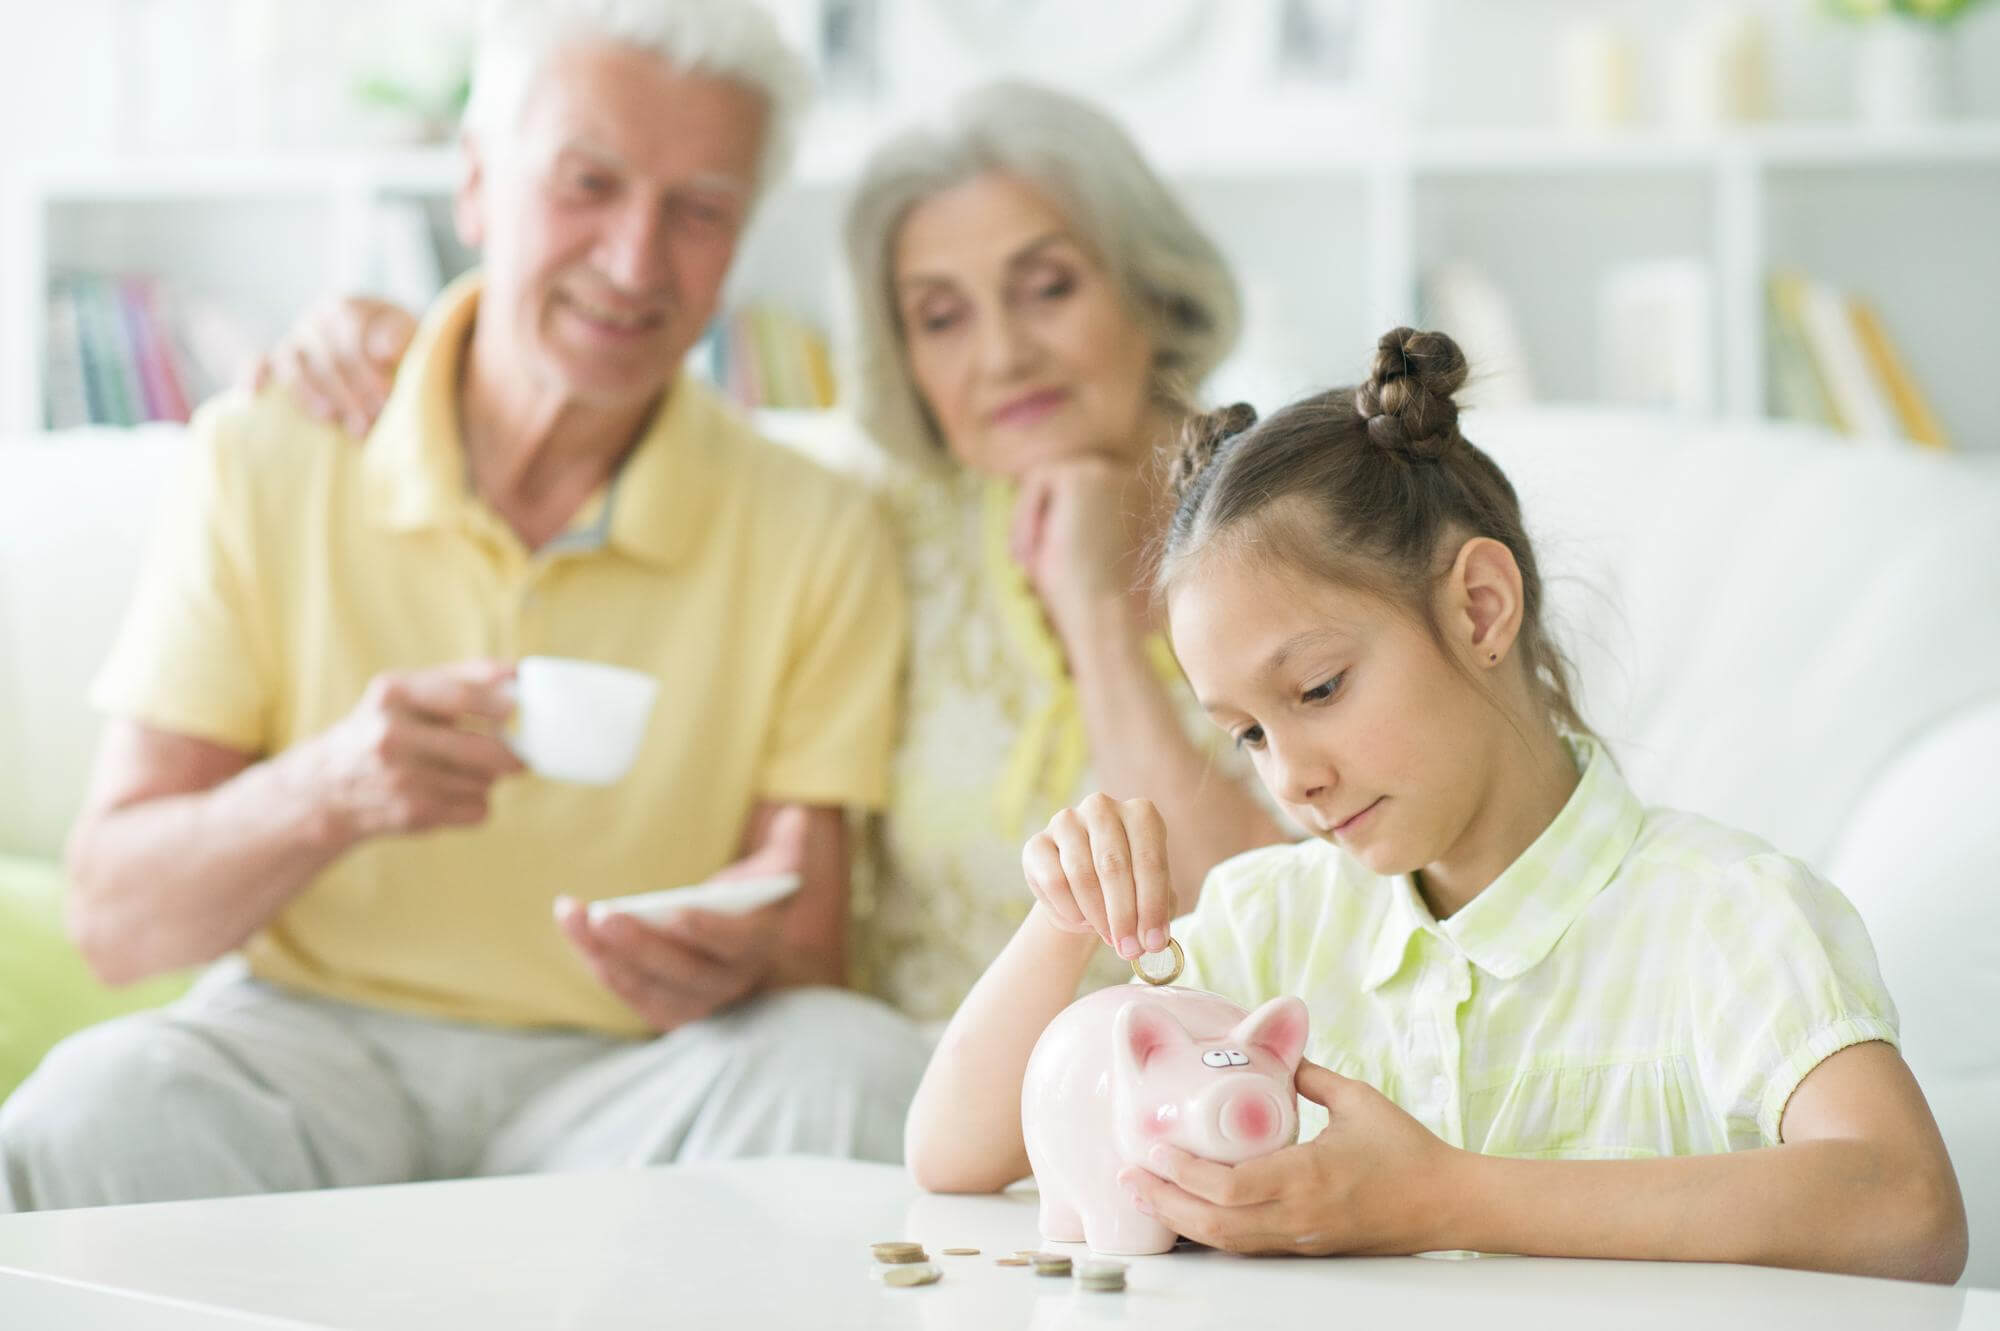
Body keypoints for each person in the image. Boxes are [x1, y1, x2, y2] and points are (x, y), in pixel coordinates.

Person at [0, 0, 928, 1212]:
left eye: (698, 211)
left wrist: (732, 962)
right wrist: (326, 790)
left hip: (636, 1079)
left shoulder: (814, 526)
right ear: (477, 187)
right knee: (90, 1110)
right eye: (587, 184)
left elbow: (809, 950)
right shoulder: (273, 453)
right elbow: (117, 917)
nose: (635, 259)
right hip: (300, 1053)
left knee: (848, 1068)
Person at [902, 328, 1968, 1283]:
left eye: (1317, 688)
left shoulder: (1726, 916)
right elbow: (953, 1154)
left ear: (1478, 606)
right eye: (1247, 733)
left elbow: (1906, 1206)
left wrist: (1441, 1195)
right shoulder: (1269, 923)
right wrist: (1058, 919)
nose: (1287, 776)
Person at [249, 81, 1289, 1027]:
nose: (1001, 352)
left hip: (1210, 1105)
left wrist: (1097, 620)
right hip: (915, 1117)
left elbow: (1284, 933)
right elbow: (661, 442)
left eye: (1048, 287)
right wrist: (396, 342)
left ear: (1147, 290)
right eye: (940, 316)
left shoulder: (1293, 524)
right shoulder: (877, 516)